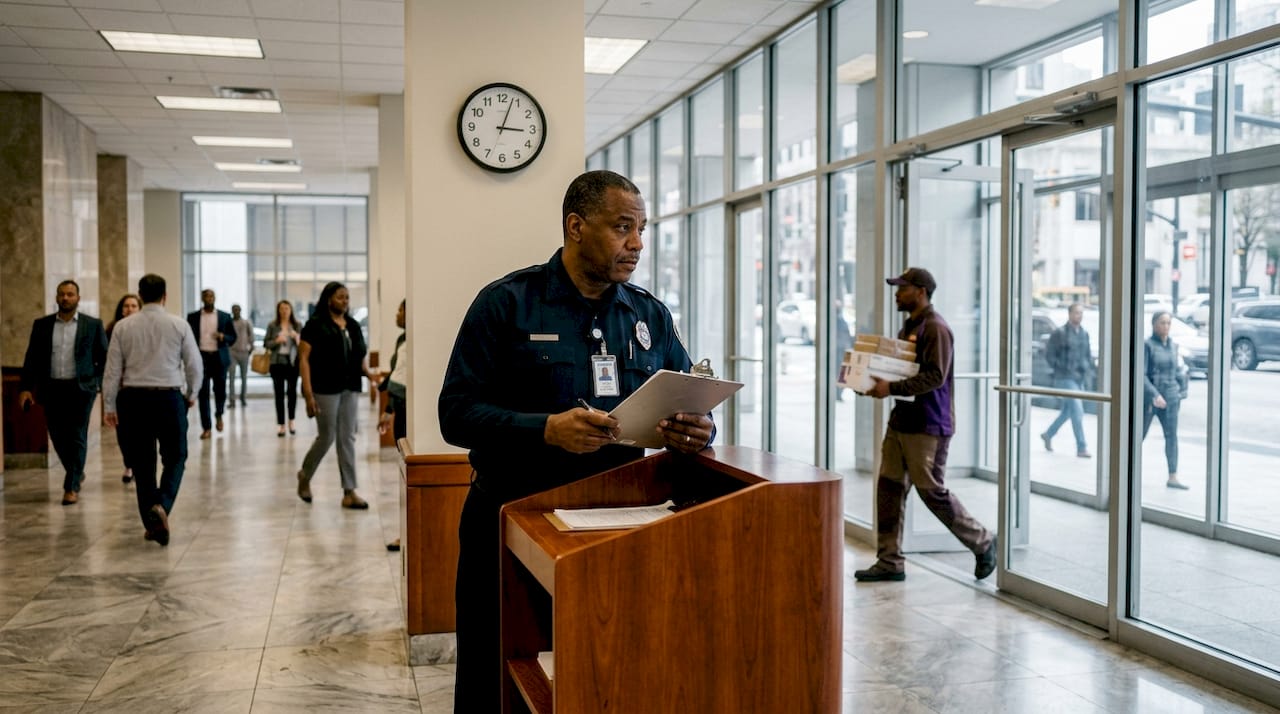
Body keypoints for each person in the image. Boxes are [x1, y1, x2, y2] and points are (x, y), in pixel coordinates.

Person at [438, 170, 713, 713]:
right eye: (622, 228)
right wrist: (545, 428)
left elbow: (689, 396)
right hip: (513, 518)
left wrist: (697, 431)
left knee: (603, 672)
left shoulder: (648, 315)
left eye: (642, 229)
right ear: (576, 226)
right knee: (499, 675)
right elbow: (456, 415)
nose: (636, 244)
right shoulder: (506, 305)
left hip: (617, 528)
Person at [854, 267, 996, 583]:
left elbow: (935, 377)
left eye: (901, 288)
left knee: (931, 491)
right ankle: (889, 561)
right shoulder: (910, 327)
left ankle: (982, 540)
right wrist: (872, 382)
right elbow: (904, 374)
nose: (896, 293)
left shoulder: (936, 329)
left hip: (928, 425)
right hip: (902, 421)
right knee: (889, 490)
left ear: (920, 291)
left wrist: (889, 388)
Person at [102, 274, 202, 546]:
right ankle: (162, 507)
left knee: (143, 464)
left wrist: (109, 405)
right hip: (169, 398)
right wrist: (192, 394)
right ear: (165, 296)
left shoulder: (123, 327)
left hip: (133, 400)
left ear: (140, 295)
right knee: (176, 456)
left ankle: (152, 523)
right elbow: (194, 365)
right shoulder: (178, 325)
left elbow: (112, 371)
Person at [18, 280, 109, 506]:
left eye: (70, 294)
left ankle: (71, 486)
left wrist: (96, 382)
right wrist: (26, 388)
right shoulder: (42, 325)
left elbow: (104, 358)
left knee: (77, 435)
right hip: (52, 388)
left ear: (78, 298)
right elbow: (31, 359)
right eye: (62, 294)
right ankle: (76, 470)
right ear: (56, 297)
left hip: (81, 388)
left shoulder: (92, 325)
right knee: (57, 435)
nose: (66, 298)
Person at [296, 281, 379, 509]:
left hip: (350, 386)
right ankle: (305, 475)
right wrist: (308, 393)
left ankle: (349, 491)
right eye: (340, 297)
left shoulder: (352, 325)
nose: (344, 301)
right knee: (327, 436)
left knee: (347, 438)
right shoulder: (315, 325)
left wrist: (370, 376)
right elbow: (304, 359)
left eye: (347, 298)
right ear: (329, 299)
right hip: (325, 388)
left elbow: (359, 356)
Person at [1040, 302, 1093, 458]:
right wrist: (1060, 367)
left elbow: (1087, 356)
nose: (1079, 316)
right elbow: (1049, 355)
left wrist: (1086, 371)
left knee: (1068, 411)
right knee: (1077, 410)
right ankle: (1081, 447)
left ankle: (1048, 434)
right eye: (1077, 313)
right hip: (1064, 378)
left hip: (1078, 378)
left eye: (1081, 313)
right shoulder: (1060, 333)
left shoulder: (1084, 333)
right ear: (1070, 314)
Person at [1144, 310, 1190, 490]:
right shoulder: (1147, 345)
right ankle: (1126, 470)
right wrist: (1154, 395)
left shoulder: (1173, 345)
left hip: (1171, 397)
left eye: (1168, 323)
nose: (1166, 326)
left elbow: (1178, 371)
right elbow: (1142, 375)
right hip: (1152, 398)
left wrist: (1180, 391)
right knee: (1139, 434)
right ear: (1154, 324)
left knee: (1171, 437)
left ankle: (1173, 476)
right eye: (1162, 323)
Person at [186, 288, 236, 439]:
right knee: (203, 393)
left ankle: (219, 414)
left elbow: (233, 337)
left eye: (211, 296)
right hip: (201, 358)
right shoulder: (193, 317)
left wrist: (222, 336)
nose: (209, 298)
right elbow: (188, 338)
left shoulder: (225, 316)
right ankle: (206, 427)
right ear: (202, 298)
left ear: (215, 298)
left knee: (220, 390)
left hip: (219, 358)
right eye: (206, 296)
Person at [107, 293, 142, 483]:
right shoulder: (112, 329)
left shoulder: (146, 329)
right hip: (121, 388)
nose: (129, 309)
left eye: (134, 306)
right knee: (123, 431)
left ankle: (140, 464)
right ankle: (129, 464)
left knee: (141, 430)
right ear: (121, 309)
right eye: (126, 306)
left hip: (142, 386)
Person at [264, 300, 302, 437]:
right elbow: (266, 343)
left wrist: (296, 338)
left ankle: (291, 421)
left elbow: (303, 345)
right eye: (282, 308)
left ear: (291, 310)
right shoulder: (272, 326)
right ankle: (281, 425)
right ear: (278, 310)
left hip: (292, 363)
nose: (284, 311)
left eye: (287, 308)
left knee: (292, 393)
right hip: (277, 362)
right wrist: (276, 341)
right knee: (279, 395)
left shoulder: (297, 326)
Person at [378, 299, 408, 443]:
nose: (397, 315)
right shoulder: (402, 339)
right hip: (399, 402)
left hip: (405, 403)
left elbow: (400, 375)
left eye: (400, 310)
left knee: (401, 440)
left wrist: (388, 411)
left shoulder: (408, 342)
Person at [227, 303, 254, 408]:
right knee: (232, 377)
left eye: (237, 309)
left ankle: (243, 398)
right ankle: (232, 400)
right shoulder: (229, 323)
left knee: (244, 377)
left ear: (240, 310)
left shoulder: (246, 323)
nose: (236, 311)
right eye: (234, 309)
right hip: (232, 352)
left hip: (243, 352)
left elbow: (251, 336)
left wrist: (250, 348)